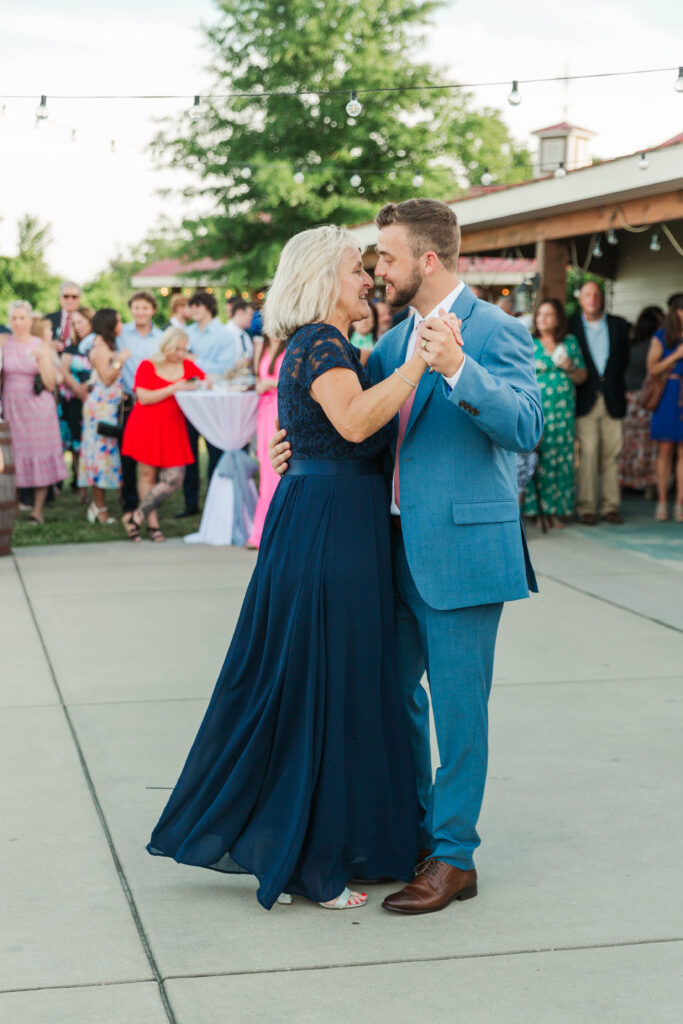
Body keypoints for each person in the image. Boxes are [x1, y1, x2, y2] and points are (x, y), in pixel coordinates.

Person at [270, 199, 543, 915]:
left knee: (458, 713)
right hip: (384, 550)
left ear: (425, 259)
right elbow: (350, 417)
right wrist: (296, 445)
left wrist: (458, 369)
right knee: (390, 701)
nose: (374, 270)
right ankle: (418, 833)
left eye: (384, 257)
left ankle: (454, 859)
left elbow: (525, 424)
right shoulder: (390, 343)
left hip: (462, 552)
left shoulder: (497, 330)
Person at [147, 225, 424, 911]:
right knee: (325, 683)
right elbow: (358, 422)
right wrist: (418, 362)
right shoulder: (324, 342)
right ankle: (314, 863)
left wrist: (296, 447)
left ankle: (302, 842)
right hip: (331, 529)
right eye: (356, 270)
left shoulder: (321, 345)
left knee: (315, 680)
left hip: (329, 516)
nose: (367, 280)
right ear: (324, 279)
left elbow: (326, 427)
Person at [122, 327, 204, 542]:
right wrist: (173, 389)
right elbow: (143, 397)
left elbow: (204, 381)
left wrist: (196, 384)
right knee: (147, 476)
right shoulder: (148, 364)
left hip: (173, 427)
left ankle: (136, 516)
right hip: (146, 424)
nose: (180, 353)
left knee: (175, 478)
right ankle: (152, 524)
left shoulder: (187, 365)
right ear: (166, 345)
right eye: (176, 348)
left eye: (183, 349)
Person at [0, 300, 66, 523]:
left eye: (22, 318)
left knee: (40, 454)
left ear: (30, 320)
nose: (18, 323)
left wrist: (42, 360)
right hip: (12, 407)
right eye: (14, 318)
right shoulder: (4, 344)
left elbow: (50, 383)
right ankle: (15, 508)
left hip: (38, 408)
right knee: (14, 456)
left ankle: (37, 511)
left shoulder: (40, 345)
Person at [570, 282, 630, 524]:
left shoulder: (618, 325)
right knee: (588, 454)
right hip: (586, 398)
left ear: (602, 298)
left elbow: (623, 360)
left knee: (612, 455)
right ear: (580, 300)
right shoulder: (572, 326)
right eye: (588, 295)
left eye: (597, 294)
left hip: (613, 398)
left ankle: (610, 506)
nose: (593, 298)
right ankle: (586, 507)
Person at [523, 299, 587, 527]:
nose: (543, 319)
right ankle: (536, 510)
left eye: (549, 314)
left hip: (563, 410)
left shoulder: (569, 342)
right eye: (540, 314)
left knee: (561, 457)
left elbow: (582, 377)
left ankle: (556, 509)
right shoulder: (528, 343)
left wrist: (569, 366)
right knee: (536, 456)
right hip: (538, 409)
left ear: (558, 318)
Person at [178, 291, 235, 517]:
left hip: (214, 402)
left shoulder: (224, 334)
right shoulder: (187, 333)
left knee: (215, 452)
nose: (194, 310)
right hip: (190, 401)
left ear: (209, 306)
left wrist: (197, 363)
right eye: (191, 306)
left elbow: (225, 369)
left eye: (198, 305)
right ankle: (190, 503)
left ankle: (215, 503)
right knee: (189, 454)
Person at [114, 292, 164, 518]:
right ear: (131, 309)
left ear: (153, 309)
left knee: (152, 457)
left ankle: (151, 503)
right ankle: (130, 503)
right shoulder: (120, 332)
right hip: (127, 403)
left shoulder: (162, 337)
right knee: (128, 456)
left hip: (155, 403)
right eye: (136, 308)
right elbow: (90, 343)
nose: (140, 312)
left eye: (145, 308)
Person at [78, 309, 130, 524]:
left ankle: (99, 505)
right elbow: (106, 378)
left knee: (107, 456)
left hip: (110, 405)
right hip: (99, 409)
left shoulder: (109, 344)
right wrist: (120, 360)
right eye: (118, 321)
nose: (121, 324)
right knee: (99, 458)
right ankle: (99, 507)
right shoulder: (100, 346)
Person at [245, 333, 286, 550]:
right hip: (264, 409)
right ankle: (260, 532)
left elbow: (294, 379)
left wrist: (272, 382)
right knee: (264, 468)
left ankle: (276, 532)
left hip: (279, 409)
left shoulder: (290, 347)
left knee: (275, 471)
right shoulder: (260, 347)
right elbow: (257, 378)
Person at [619, 305, 663, 496]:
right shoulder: (654, 347)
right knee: (646, 443)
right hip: (646, 399)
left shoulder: (629, 345)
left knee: (627, 442)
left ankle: (624, 481)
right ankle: (647, 484)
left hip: (627, 398)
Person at [647, 295, 683, 521]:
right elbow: (652, 368)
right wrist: (677, 355)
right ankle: (662, 501)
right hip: (669, 394)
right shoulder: (662, 336)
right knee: (666, 449)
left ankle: (680, 503)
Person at [60, 306, 95, 494]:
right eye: (75, 323)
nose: (78, 326)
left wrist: (90, 391)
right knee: (76, 443)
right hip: (75, 401)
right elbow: (64, 370)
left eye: (81, 322)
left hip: (96, 400)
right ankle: (80, 486)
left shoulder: (99, 344)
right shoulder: (71, 347)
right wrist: (78, 389)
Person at [46, 281, 82, 352]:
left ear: (79, 298)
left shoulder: (88, 320)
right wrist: (49, 344)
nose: (70, 300)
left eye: (74, 297)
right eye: (66, 296)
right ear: (60, 298)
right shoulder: (48, 318)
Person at [225, 299, 255, 368]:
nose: (252, 319)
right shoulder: (224, 334)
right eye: (250, 315)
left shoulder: (245, 335)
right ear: (239, 313)